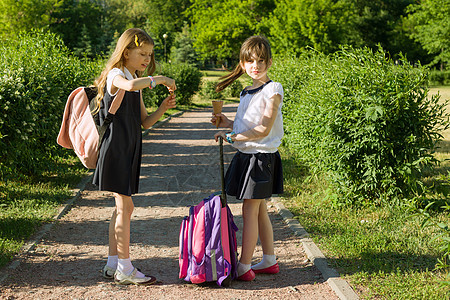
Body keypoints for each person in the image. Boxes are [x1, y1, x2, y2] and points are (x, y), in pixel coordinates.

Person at [92, 28, 176, 285]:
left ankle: (112, 264)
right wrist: (158, 79)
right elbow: (127, 86)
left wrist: (162, 108)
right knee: (125, 207)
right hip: (115, 148)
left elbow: (145, 122)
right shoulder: (117, 75)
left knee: (121, 209)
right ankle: (125, 269)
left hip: (128, 148)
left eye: (150, 55)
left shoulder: (134, 79)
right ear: (126, 51)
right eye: (142, 53)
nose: (147, 60)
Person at [211, 35, 284, 281]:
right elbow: (245, 126)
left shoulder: (273, 89)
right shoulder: (246, 92)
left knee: (249, 210)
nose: (256, 65)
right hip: (249, 155)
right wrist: (227, 124)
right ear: (243, 64)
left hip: (261, 158)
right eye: (250, 61)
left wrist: (233, 137)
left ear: (269, 63)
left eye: (261, 60)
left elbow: (263, 129)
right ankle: (269, 260)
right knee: (260, 209)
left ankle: (243, 265)